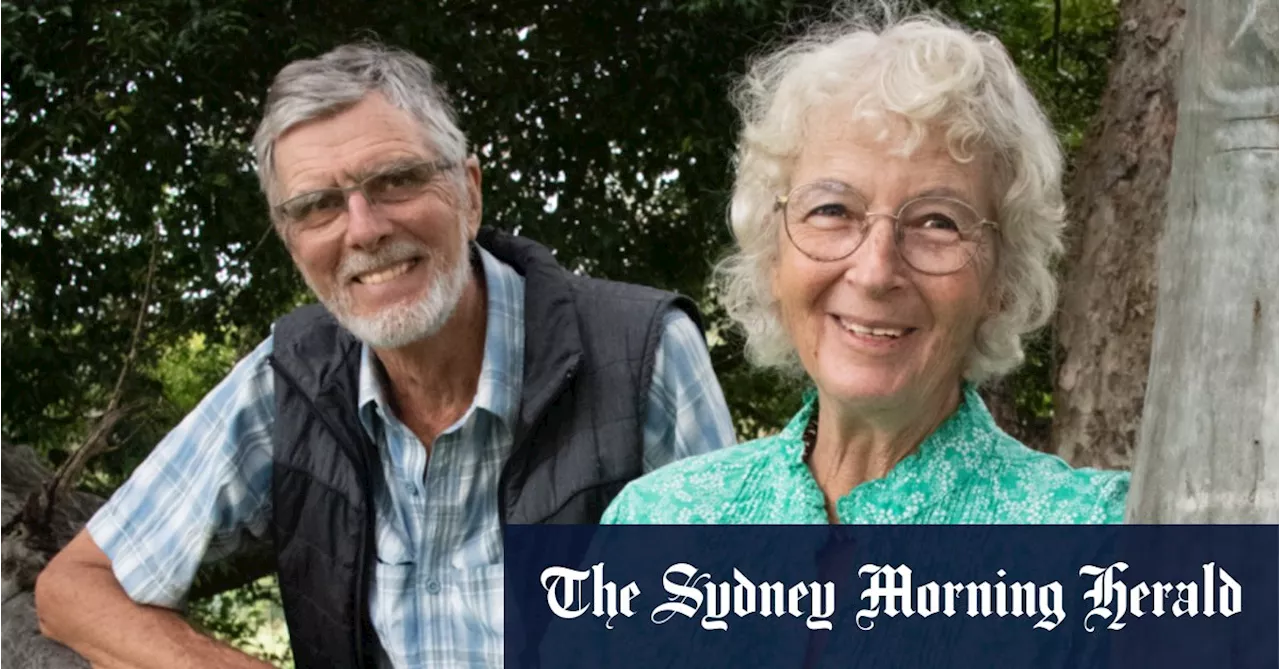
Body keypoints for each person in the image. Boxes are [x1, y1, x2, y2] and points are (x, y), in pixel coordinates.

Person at [35, 42, 736, 668]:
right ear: (291, 240)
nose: (363, 229)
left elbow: (742, 626)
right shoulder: (288, 379)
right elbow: (75, 587)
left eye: (396, 180)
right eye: (318, 206)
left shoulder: (640, 353)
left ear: (469, 191)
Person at [602, 9, 1128, 526]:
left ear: (1002, 281)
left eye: (938, 222)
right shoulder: (660, 519)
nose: (875, 272)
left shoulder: (1100, 538)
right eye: (831, 210)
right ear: (772, 253)